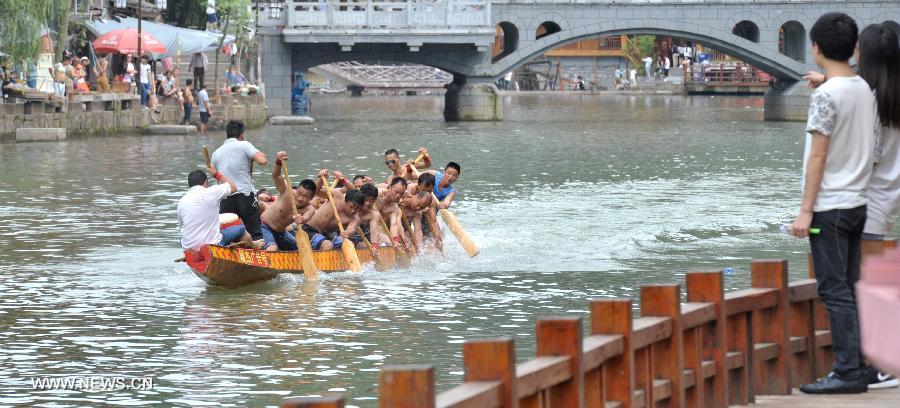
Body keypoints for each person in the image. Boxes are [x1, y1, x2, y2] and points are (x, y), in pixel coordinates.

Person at [805, 23, 900, 390]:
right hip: (887, 197)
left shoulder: (872, 99)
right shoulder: (887, 95)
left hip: (865, 198)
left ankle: (884, 365)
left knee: (861, 286)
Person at [788, 12, 875, 394]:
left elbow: (818, 156)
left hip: (830, 206)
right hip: (857, 202)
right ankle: (858, 365)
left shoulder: (826, 95)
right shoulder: (864, 89)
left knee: (834, 288)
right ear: (854, 48)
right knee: (851, 285)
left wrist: (805, 210)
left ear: (816, 48)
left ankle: (846, 373)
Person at [211, 120, 269, 242]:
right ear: (242, 134)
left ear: (227, 134)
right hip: (245, 196)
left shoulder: (215, 153)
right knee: (255, 234)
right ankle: (259, 255)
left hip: (226, 199)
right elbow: (262, 161)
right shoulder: (244, 145)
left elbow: (216, 176)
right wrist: (259, 155)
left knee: (231, 235)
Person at [177, 164, 252, 251]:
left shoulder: (181, 202)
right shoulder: (212, 191)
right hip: (213, 245)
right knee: (241, 228)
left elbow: (182, 227)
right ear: (206, 182)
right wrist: (215, 174)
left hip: (188, 247)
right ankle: (255, 246)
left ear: (189, 185)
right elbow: (233, 187)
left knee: (183, 239)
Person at [260, 151, 318, 251]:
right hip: (264, 226)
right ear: (297, 189)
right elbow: (276, 175)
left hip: (281, 233)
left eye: (305, 196)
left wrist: (302, 219)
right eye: (299, 193)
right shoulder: (287, 191)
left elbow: (307, 216)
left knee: (302, 249)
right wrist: (278, 161)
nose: (300, 198)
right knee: (273, 248)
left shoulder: (309, 209)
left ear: (311, 198)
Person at [302, 170, 364, 250]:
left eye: (357, 209)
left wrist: (347, 233)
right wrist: (321, 179)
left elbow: (351, 228)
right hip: (309, 229)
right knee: (328, 245)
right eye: (351, 207)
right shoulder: (336, 195)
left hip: (328, 235)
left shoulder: (355, 217)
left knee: (346, 243)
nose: (353, 211)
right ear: (346, 200)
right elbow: (315, 191)